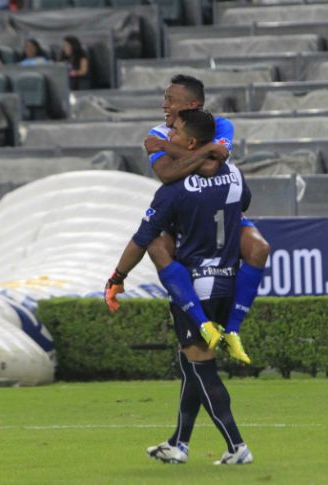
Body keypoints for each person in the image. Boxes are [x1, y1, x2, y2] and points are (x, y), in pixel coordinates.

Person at [106, 109, 254, 465]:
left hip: (194, 288)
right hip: (228, 282)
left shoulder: (174, 190)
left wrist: (118, 277)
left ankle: (237, 446)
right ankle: (179, 444)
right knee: (190, 364)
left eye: (175, 134)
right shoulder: (234, 174)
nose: (168, 137)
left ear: (190, 142)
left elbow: (142, 239)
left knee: (202, 366)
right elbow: (243, 205)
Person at [142, 75, 270, 362]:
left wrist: (170, 149)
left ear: (192, 105)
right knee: (157, 248)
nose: (164, 105)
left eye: (170, 100)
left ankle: (232, 330)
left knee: (259, 248)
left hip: (219, 210)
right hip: (183, 214)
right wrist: (207, 150)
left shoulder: (221, 125)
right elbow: (166, 174)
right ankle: (202, 324)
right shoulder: (157, 131)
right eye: (165, 99)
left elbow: (212, 167)